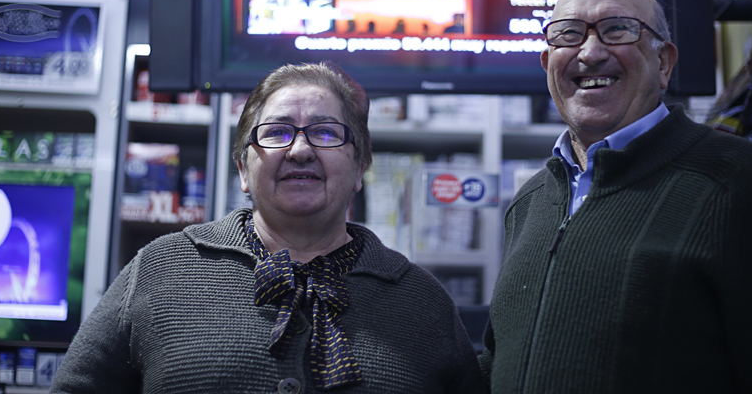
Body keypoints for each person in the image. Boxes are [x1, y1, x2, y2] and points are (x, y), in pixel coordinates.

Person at [479, 0, 752, 392]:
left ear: (663, 63)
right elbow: (499, 364)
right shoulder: (530, 201)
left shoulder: (735, 179)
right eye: (568, 34)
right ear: (547, 64)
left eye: (617, 30)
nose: (590, 53)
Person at [52, 61, 486, 394]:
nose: (300, 150)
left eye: (326, 133)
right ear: (244, 169)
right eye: (277, 133)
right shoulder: (160, 268)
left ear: (360, 168)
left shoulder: (423, 301)